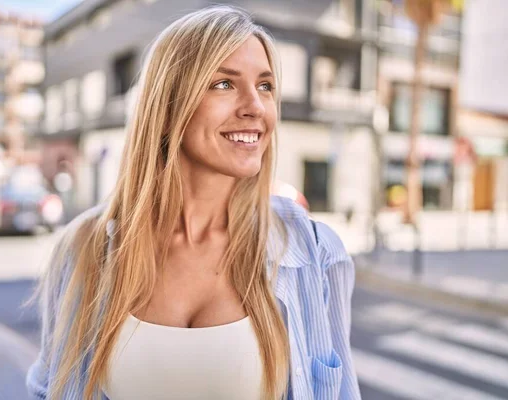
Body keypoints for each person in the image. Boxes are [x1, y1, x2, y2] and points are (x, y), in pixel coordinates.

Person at [27, 5, 360, 400]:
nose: (255, 107)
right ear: (168, 107)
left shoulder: (313, 253)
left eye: (266, 86)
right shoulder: (84, 250)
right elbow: (47, 388)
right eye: (224, 84)